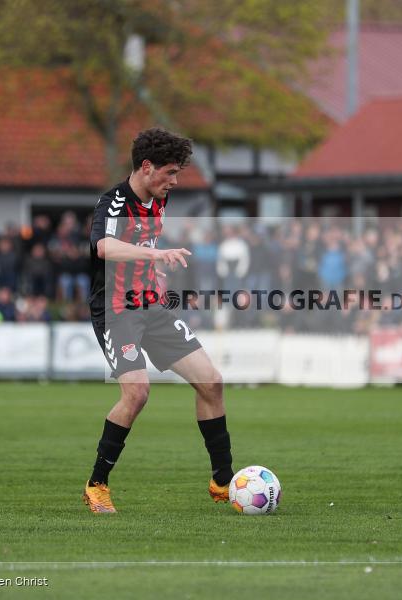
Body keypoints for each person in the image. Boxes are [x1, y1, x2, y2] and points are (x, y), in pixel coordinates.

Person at [82, 128, 233, 514]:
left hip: (152, 306)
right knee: (137, 393)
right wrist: (154, 256)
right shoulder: (114, 202)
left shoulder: (158, 197)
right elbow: (103, 247)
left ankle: (224, 482)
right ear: (146, 168)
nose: (175, 181)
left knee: (211, 382)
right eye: (169, 172)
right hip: (117, 311)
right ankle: (97, 485)